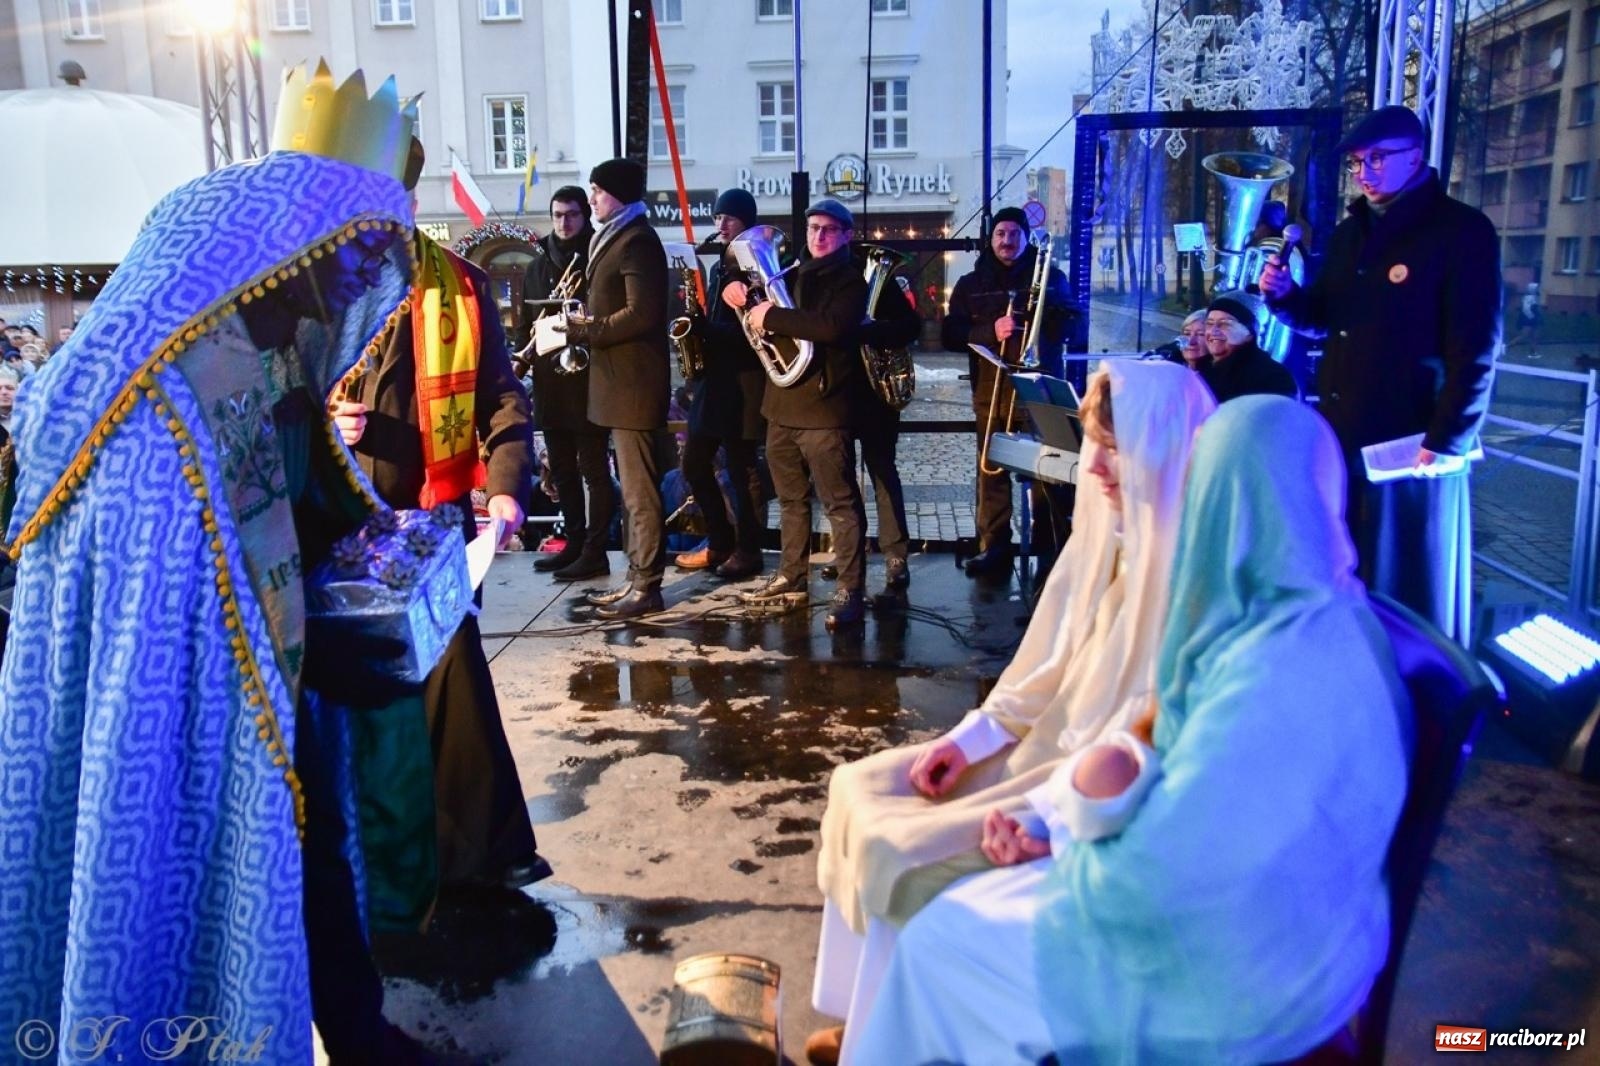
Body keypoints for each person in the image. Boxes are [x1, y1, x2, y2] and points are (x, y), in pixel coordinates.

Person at [0, 64, 437, 1064]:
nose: (349, 284)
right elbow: (180, 611)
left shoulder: (270, 357)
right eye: (340, 257)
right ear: (275, 251)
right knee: (204, 866)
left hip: (271, 699)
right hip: (191, 722)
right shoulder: (154, 404)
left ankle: (357, 1028)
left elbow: (298, 506)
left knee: (311, 856)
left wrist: (391, 571)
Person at [850, 396, 1409, 1065]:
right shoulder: (1283, 615)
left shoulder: (1283, 664)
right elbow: (1160, 738)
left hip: (1247, 973)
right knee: (944, 914)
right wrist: (1057, 816)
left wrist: (1072, 835)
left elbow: (1171, 866)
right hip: (1242, 910)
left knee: (941, 944)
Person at [808, 360, 1216, 1065]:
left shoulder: (1200, 583)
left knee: (901, 853)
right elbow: (1046, 663)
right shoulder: (1111, 534)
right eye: (1094, 448)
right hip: (1042, 745)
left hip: (1080, 783)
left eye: (1114, 452)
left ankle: (890, 1039)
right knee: (858, 789)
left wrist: (1051, 822)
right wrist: (969, 742)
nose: (1095, 472)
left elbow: (1158, 749)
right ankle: (870, 1012)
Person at [332, 139, 547, 894]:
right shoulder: (302, 288)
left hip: (431, 525)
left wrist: (508, 487)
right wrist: (324, 419)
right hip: (333, 527)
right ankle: (372, 867)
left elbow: (501, 398)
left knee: (453, 683)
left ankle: (480, 857)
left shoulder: (456, 285)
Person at [1260, 103, 1500, 643]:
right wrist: (1286, 299)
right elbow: (1326, 320)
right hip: (1346, 439)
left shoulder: (1461, 232)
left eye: (1376, 159)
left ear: (1415, 157)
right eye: (1356, 164)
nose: (1364, 172)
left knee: (1407, 590)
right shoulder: (1350, 235)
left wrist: (1449, 439)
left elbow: (1476, 347)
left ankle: (1416, 698)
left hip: (1414, 447)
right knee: (1353, 578)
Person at [728, 197, 871, 631]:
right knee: (790, 502)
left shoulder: (851, 281)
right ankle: (792, 575)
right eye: (813, 229)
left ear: (846, 235)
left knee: (840, 504)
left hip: (826, 410)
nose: (819, 236)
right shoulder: (790, 271)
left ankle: (850, 588)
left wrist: (773, 314)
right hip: (782, 407)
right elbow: (758, 306)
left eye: (829, 229)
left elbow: (830, 328)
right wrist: (737, 291)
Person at [943, 207, 1073, 576]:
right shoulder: (971, 283)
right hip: (992, 391)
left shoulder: (1051, 277)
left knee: (1049, 474)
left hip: (1039, 391)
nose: (1006, 240)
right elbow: (950, 333)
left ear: (1025, 237)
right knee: (992, 473)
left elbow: (1073, 328)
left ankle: (1049, 552)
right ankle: (994, 547)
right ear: (991, 238)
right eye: (1000, 233)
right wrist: (989, 331)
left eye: (1014, 233)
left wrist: (1042, 314)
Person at [574, 158, 671, 619]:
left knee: (638, 492)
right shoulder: (614, 236)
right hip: (617, 386)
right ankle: (635, 577)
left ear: (618, 193)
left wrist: (586, 330)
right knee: (632, 492)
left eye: (597, 190)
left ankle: (647, 585)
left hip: (634, 387)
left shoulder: (637, 240)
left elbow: (642, 313)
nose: (590, 198)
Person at [674, 187, 767, 580]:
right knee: (694, 463)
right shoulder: (718, 268)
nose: (721, 225)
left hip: (744, 384)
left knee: (742, 471)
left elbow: (753, 335)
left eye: (729, 218)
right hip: (716, 382)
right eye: (717, 218)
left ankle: (747, 550)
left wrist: (704, 330)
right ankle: (719, 540)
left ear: (747, 221)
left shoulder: (757, 265)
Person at [522, 185, 614, 580]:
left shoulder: (596, 256)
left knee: (594, 469)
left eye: (572, 214)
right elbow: (527, 324)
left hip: (588, 379)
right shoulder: (537, 265)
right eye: (558, 214)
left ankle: (596, 549)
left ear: (585, 216)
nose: (564, 222)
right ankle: (573, 543)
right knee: (561, 469)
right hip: (549, 378)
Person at [856, 270, 920, 608]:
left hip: (875, 395)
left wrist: (868, 330)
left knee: (882, 472)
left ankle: (895, 556)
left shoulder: (881, 283)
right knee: (836, 479)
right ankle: (849, 554)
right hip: (834, 395)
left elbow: (911, 327)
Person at [1199, 291, 1299, 403]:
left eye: (1225, 324)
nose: (1213, 331)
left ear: (1249, 333)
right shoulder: (1203, 369)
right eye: (1209, 323)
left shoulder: (1272, 378)